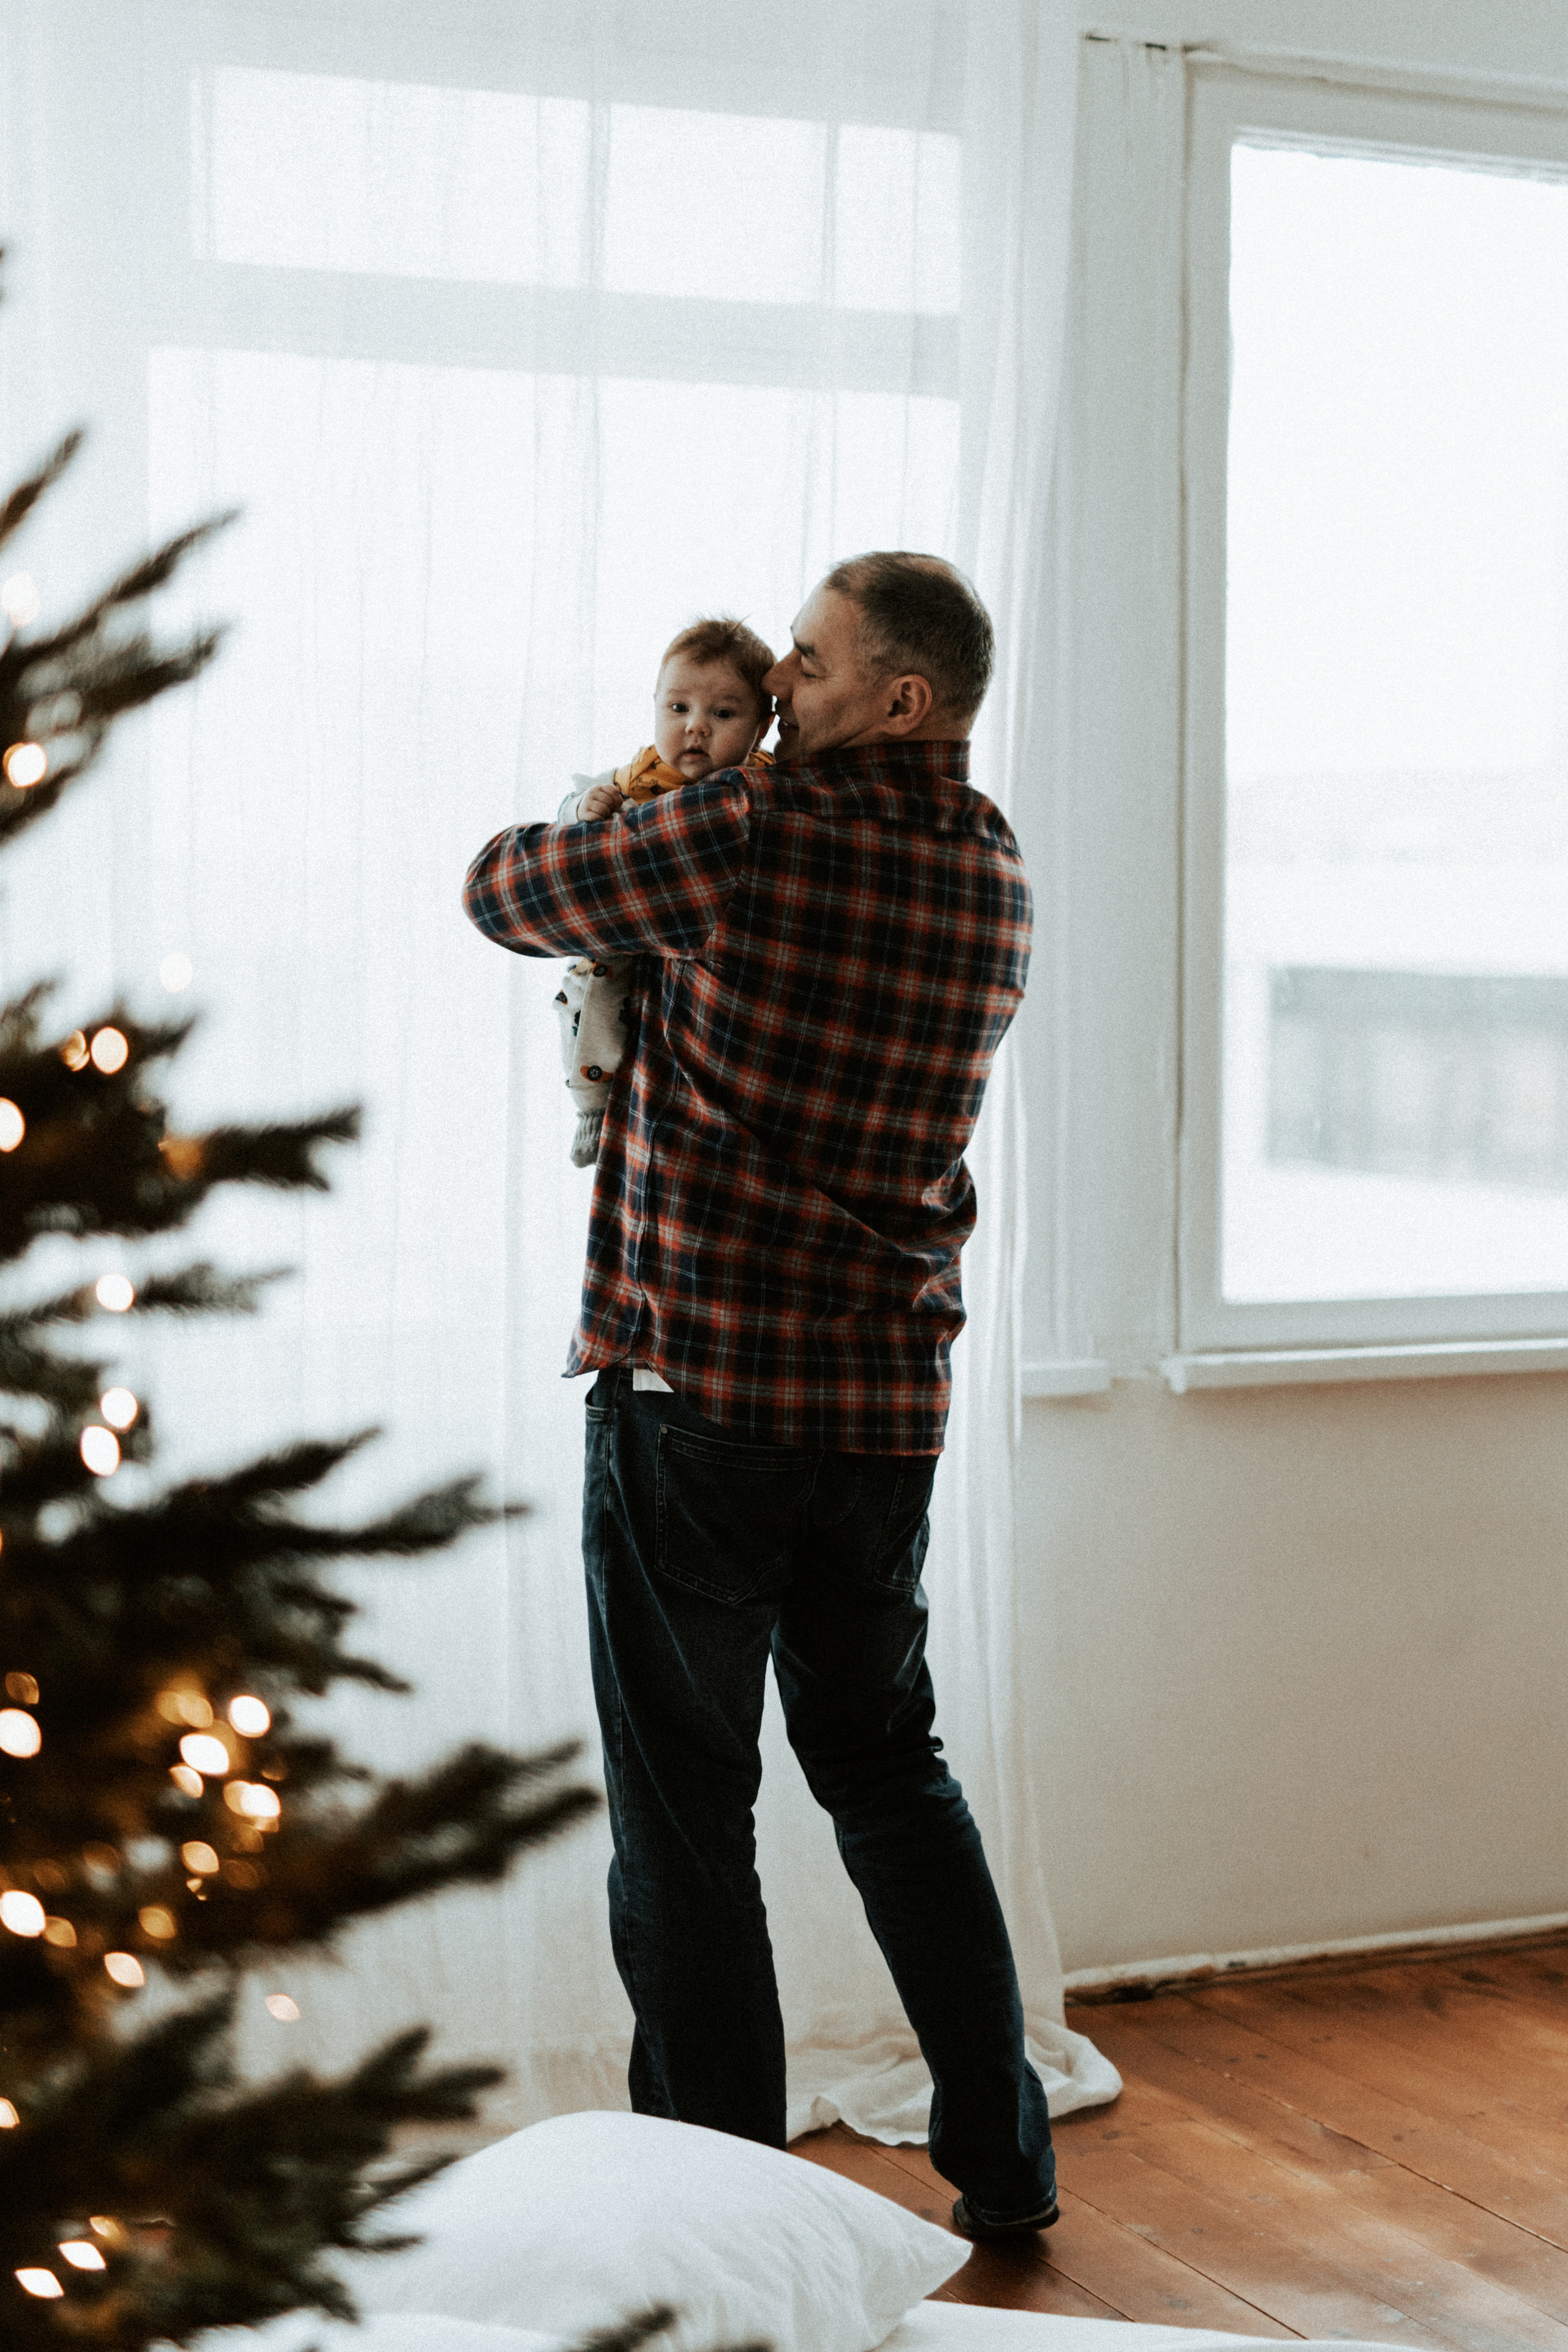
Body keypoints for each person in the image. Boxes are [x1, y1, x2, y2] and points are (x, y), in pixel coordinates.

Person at [462, 551, 1055, 2242]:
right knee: (889, 1772)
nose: (779, 684)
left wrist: (647, 782)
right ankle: (1006, 2161)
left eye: (807, 659)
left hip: (701, 1403)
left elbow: (506, 891)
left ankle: (720, 2218)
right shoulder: (996, 865)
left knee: (685, 1811)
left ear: (899, 697)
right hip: (880, 1412)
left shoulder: (744, 832)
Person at [552, 617, 774, 1166]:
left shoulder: (765, 784)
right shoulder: (635, 777)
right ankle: (592, 1107)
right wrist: (584, 811)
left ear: (762, 727)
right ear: (655, 703)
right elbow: (567, 815)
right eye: (678, 709)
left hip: (702, 955)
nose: (696, 727)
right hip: (623, 938)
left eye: (723, 714)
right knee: (592, 1004)